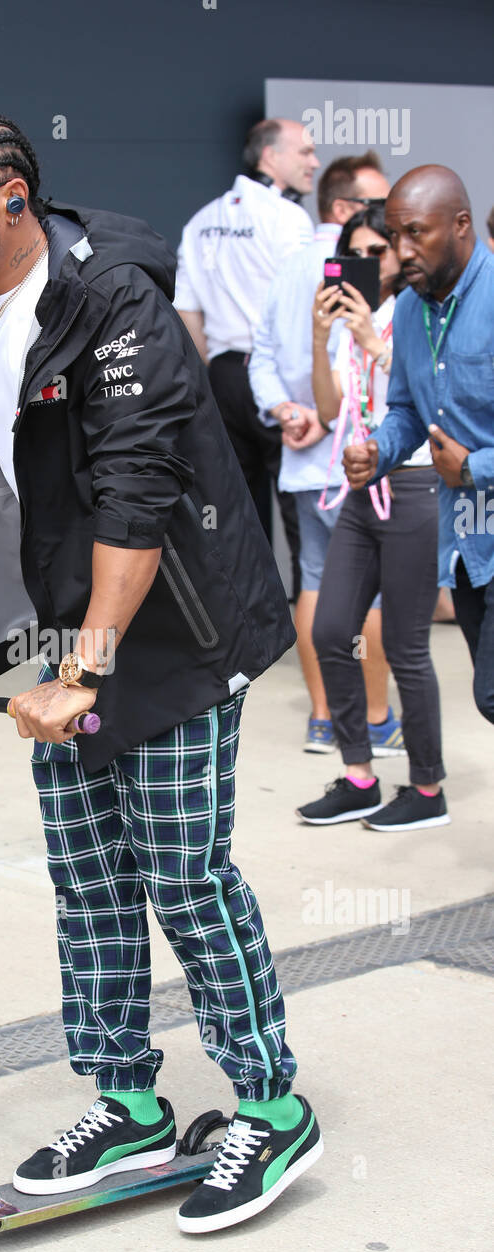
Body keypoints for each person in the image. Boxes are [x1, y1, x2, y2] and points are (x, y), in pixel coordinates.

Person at [0, 109, 322, 1234]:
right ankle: (127, 1097)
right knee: (89, 881)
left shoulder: (113, 301)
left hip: (177, 626)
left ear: (11, 195)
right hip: (70, 624)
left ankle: (268, 1102)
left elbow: (135, 496)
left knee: (183, 873)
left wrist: (88, 672)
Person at [296, 205, 446, 831]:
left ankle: (428, 790)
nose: (367, 265)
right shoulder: (358, 320)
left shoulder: (416, 313)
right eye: (354, 253)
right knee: (333, 630)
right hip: (359, 487)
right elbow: (330, 412)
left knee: (409, 648)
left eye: (375, 252)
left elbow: (430, 398)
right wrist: (319, 336)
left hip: (413, 485)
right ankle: (359, 774)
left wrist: (368, 341)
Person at [249, 153, 400, 756]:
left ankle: (323, 718)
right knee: (375, 593)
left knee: (313, 584)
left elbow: (259, 354)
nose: (393, 217)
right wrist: (319, 414)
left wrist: (286, 412)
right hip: (362, 462)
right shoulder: (379, 281)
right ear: (345, 209)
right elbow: (354, 378)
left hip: (308, 458)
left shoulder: (287, 267)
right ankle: (376, 716)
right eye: (378, 202)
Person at [344, 165, 494, 733]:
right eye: (395, 235)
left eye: (416, 234)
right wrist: (378, 452)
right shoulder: (409, 308)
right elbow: (407, 410)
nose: (401, 250)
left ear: (460, 225)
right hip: (468, 542)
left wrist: (474, 467)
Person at [174, 119, 320, 593]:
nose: (313, 162)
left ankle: (257, 626)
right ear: (270, 157)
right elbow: (305, 304)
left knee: (236, 508)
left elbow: (188, 315)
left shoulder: (200, 222)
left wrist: (217, 375)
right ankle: (312, 611)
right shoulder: (290, 220)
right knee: (299, 501)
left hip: (224, 377)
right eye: (305, 151)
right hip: (277, 376)